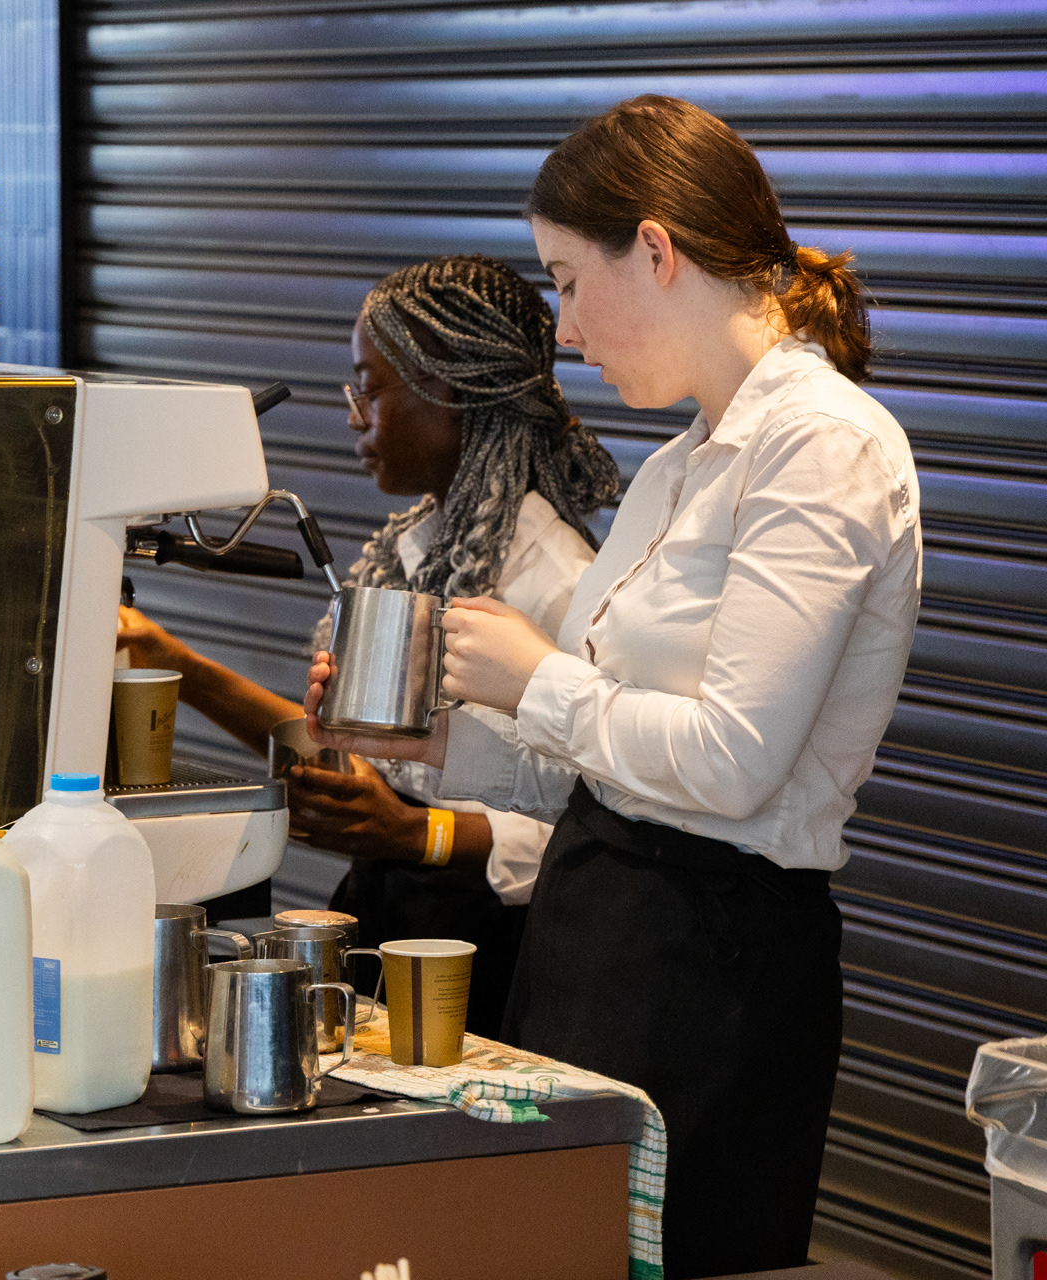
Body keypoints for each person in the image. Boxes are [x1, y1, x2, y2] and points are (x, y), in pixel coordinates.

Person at [305, 96, 920, 1279]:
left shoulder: (823, 446)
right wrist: (440, 739)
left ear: (655, 247)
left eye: (570, 283)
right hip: (600, 932)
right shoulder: (686, 459)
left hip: (710, 964)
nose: (571, 331)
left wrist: (533, 678)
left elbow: (733, 762)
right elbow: (609, 737)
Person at [119, 254, 618, 1033]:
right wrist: (169, 660)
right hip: (388, 906)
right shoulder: (415, 551)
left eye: (369, 389)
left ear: (449, 390)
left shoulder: (559, 581)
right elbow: (359, 758)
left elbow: (590, 818)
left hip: (492, 947)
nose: (354, 417)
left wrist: (416, 833)